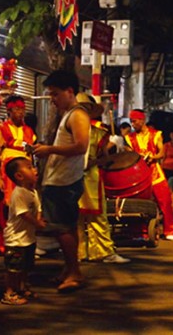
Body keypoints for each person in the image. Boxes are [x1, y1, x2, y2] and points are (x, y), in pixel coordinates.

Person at [32, 70, 90, 293]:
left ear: (69, 91)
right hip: (60, 180)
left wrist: (49, 150)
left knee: (62, 229)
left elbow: (81, 146)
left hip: (64, 182)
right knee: (67, 228)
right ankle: (69, 269)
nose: (53, 100)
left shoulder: (77, 115)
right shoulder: (69, 114)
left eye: (55, 95)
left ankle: (75, 273)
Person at [75, 93, 130, 264]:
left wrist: (93, 161)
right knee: (75, 217)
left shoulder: (99, 132)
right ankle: (78, 253)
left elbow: (105, 158)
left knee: (98, 216)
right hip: (71, 175)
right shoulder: (67, 128)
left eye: (85, 108)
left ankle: (103, 251)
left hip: (91, 177)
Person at [124, 109, 173, 240]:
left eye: (134, 121)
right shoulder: (129, 138)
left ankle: (169, 230)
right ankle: (139, 232)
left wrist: (153, 157)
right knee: (139, 203)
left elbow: (161, 153)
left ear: (142, 120)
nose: (132, 124)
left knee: (165, 200)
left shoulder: (156, 134)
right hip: (138, 174)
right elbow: (129, 154)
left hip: (155, 172)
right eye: (131, 121)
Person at [1, 157, 46, 305]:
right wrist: (37, 223)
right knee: (14, 268)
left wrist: (39, 220)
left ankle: (21, 288)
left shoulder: (32, 191)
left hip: (28, 237)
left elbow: (38, 209)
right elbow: (24, 214)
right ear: (19, 176)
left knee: (26, 266)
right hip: (16, 239)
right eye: (29, 167)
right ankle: (9, 292)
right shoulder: (19, 193)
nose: (35, 169)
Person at [0, 95, 37, 208]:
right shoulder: (2, 127)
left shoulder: (28, 130)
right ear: (9, 111)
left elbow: (31, 151)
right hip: (8, 165)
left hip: (26, 165)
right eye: (17, 109)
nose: (21, 112)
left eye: (22, 109)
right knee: (10, 199)